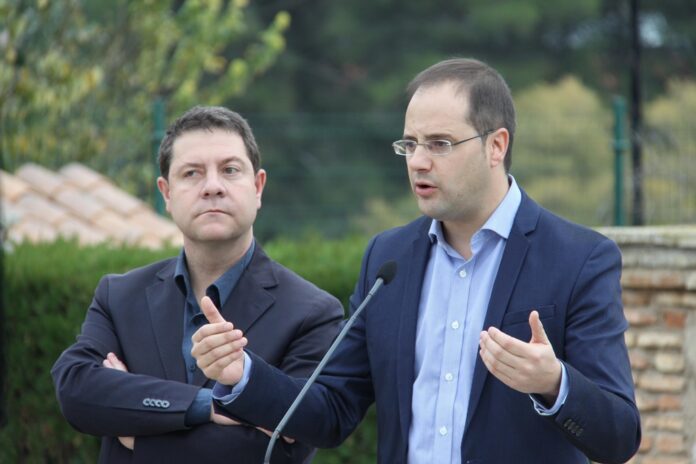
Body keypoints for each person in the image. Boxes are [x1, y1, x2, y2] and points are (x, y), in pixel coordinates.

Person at [191, 59, 642, 464]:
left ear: (496, 145)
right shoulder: (387, 259)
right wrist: (243, 375)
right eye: (410, 144)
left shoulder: (579, 258)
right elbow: (331, 409)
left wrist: (554, 383)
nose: (418, 162)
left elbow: (619, 437)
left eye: (440, 144)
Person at [51, 106, 344, 463]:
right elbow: (76, 389)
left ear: (258, 187)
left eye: (230, 170)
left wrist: (136, 436)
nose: (212, 187)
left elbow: (280, 450)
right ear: (166, 193)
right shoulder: (119, 296)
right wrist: (205, 405)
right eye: (192, 173)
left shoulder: (311, 312)